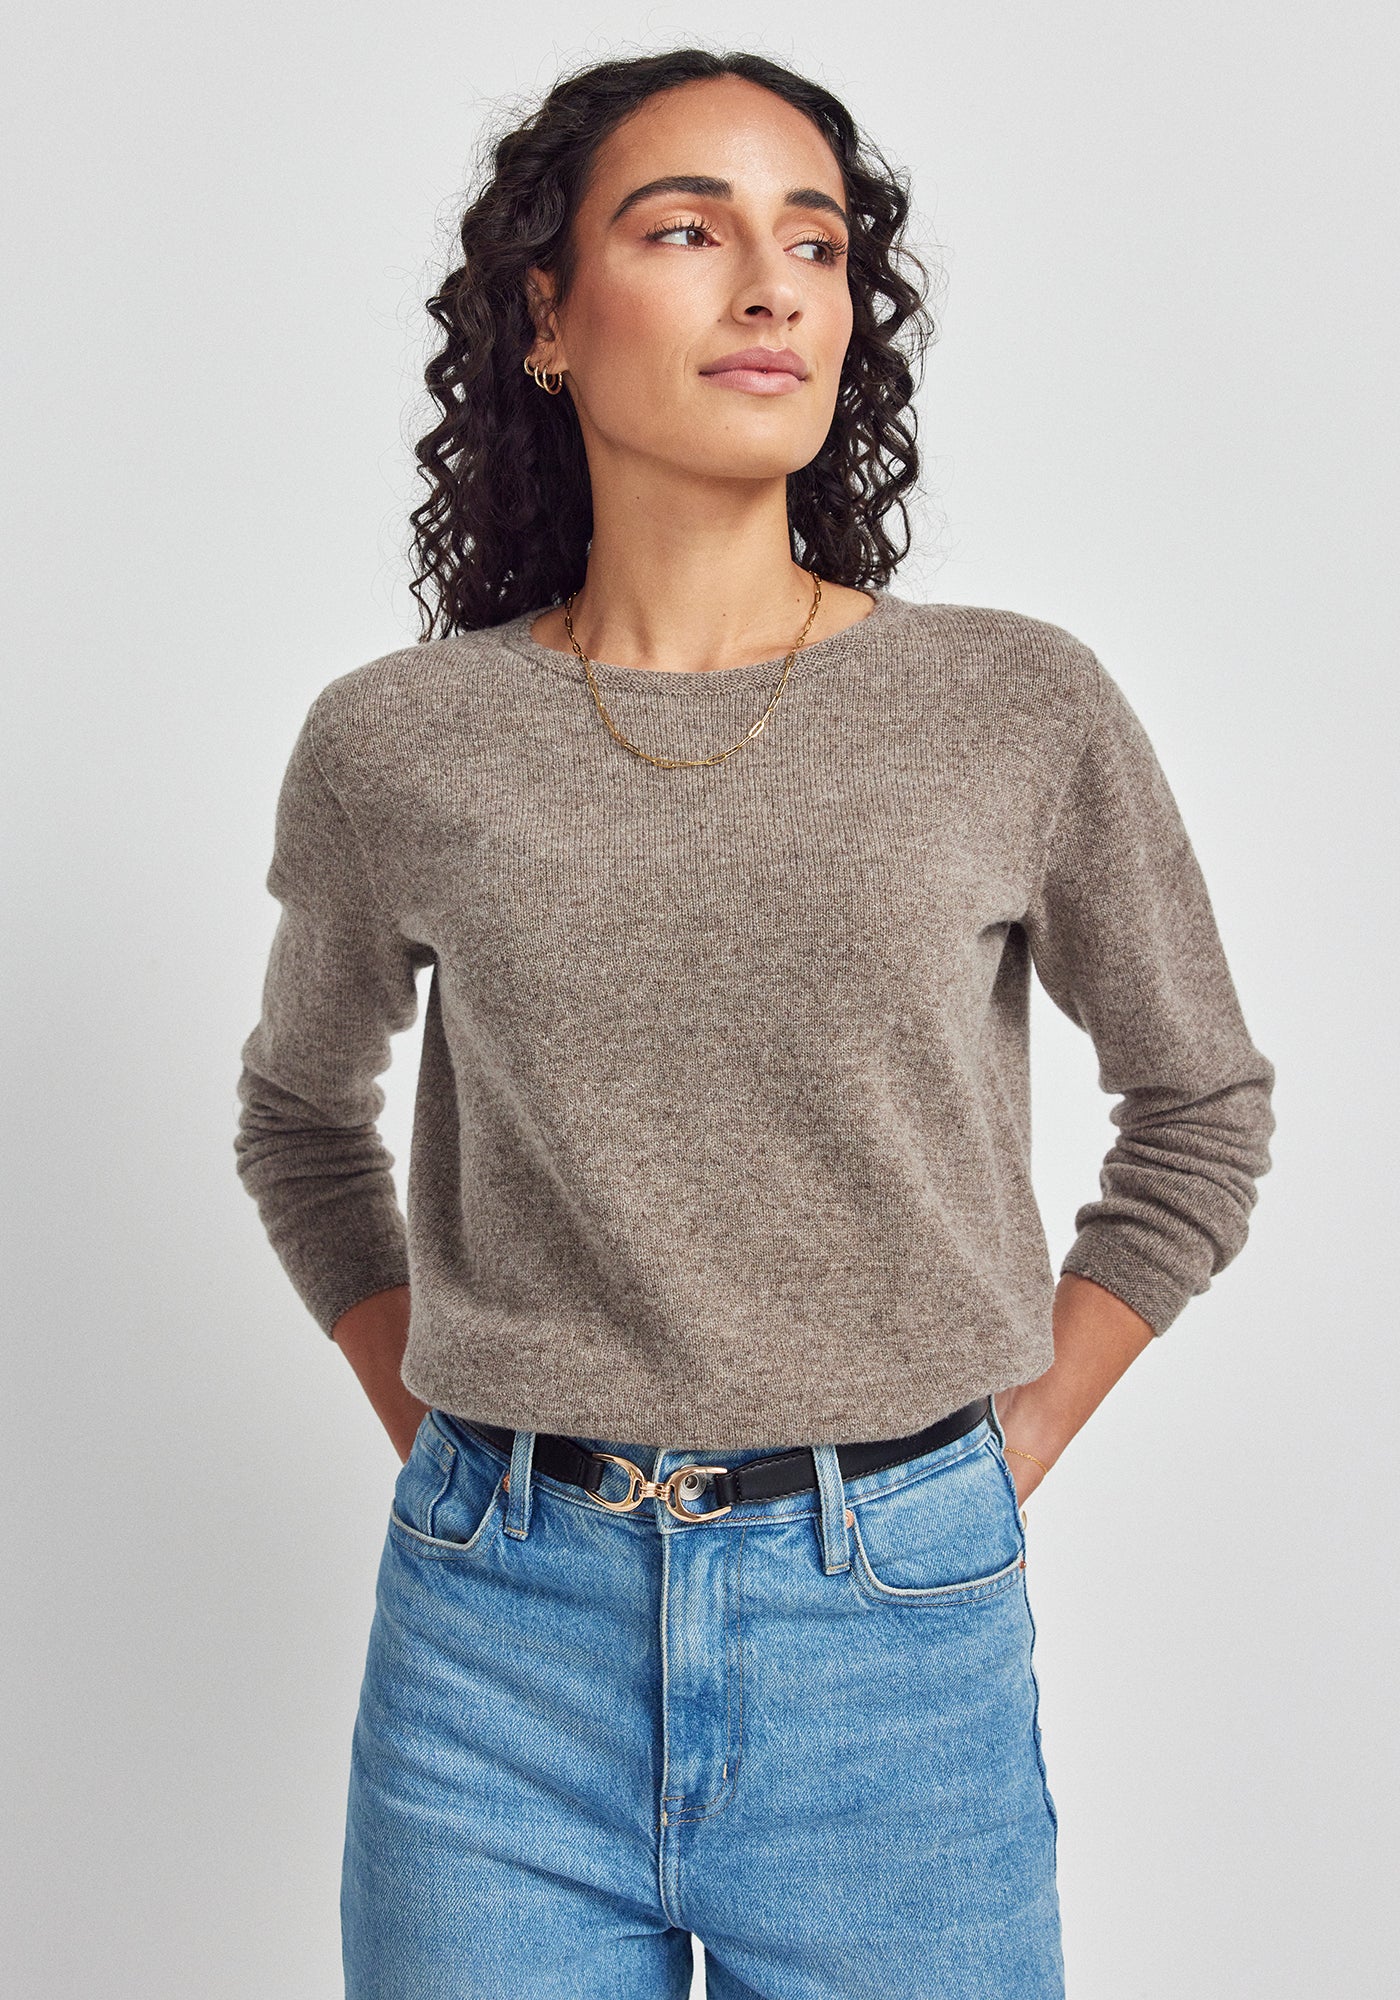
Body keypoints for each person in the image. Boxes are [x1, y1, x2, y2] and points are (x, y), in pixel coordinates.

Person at [233, 46, 1276, 2000]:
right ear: (546, 319)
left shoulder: (1011, 706)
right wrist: (447, 1430)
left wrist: (1001, 1451)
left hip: (894, 1643)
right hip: (491, 1662)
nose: (773, 287)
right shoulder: (402, 740)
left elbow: (1199, 1106)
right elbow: (298, 1119)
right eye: (686, 231)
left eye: (814, 241)